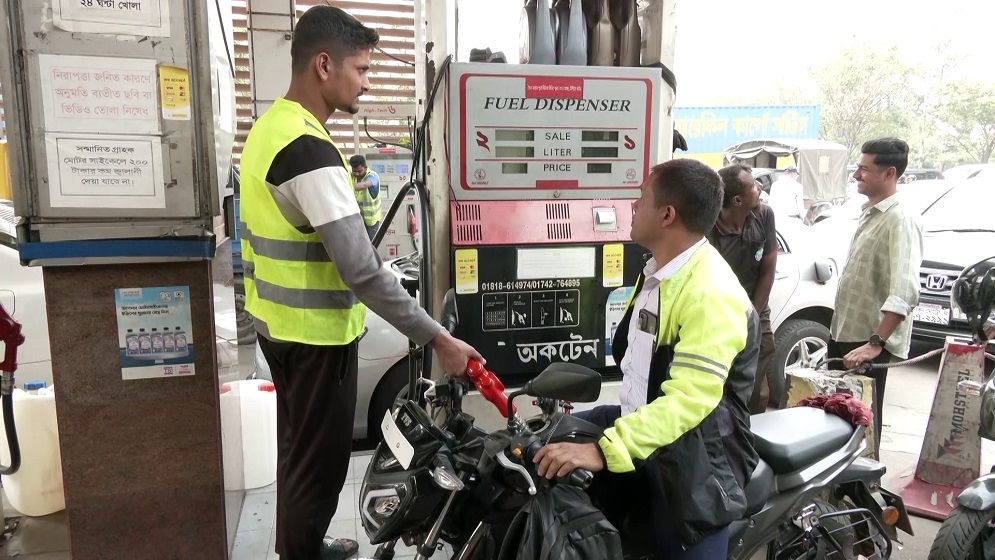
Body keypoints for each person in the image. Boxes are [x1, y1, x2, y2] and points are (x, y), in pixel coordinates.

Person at [238, 7, 483, 559]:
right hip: (315, 337)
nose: (367, 84)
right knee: (319, 468)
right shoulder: (309, 149)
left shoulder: (270, 128)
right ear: (324, 65)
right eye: (362, 69)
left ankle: (298, 545)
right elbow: (363, 271)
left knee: (297, 454)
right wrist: (436, 337)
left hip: (278, 328)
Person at [533, 159, 760, 559]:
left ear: (667, 215)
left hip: (701, 465)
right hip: (651, 437)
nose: (632, 207)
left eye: (641, 199)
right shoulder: (660, 273)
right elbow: (639, 374)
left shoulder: (710, 294)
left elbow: (689, 399)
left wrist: (603, 450)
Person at [830, 138, 922, 453]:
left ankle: (865, 494)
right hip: (846, 335)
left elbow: (904, 290)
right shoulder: (873, 214)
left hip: (868, 344)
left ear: (889, 173)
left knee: (862, 434)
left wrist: (875, 344)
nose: (856, 175)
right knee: (839, 425)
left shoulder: (900, 219)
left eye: (864, 169)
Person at [708, 164, 779, 412]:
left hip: (756, 309)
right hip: (718, 315)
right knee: (721, 387)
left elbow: (768, 270)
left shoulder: (764, 216)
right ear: (737, 200)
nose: (759, 186)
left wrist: (753, 317)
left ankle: (752, 441)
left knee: (755, 389)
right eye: (753, 185)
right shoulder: (708, 230)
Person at [349, 154, 382, 239]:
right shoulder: (351, 176)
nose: (357, 173)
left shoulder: (373, 176)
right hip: (358, 219)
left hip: (371, 221)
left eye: (359, 171)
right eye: (354, 171)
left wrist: (345, 187)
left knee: (372, 245)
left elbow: (364, 185)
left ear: (365, 167)